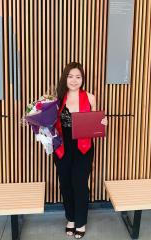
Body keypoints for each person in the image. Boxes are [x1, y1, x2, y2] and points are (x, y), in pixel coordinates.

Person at [53, 62, 107, 239]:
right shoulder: (58, 97)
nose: (74, 80)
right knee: (66, 183)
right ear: (65, 77)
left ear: (83, 79)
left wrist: (103, 122)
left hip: (83, 147)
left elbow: (95, 122)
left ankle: (81, 221)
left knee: (80, 183)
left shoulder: (90, 97)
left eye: (78, 77)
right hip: (62, 146)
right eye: (70, 76)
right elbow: (50, 122)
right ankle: (70, 218)